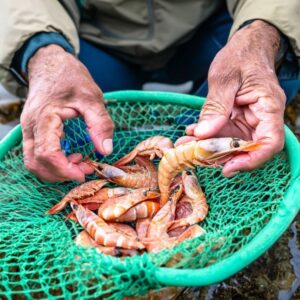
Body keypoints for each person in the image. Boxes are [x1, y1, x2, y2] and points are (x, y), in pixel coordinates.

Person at [0, 0, 299, 182]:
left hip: (205, 28)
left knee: (270, 78)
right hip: (97, 37)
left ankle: (192, 136)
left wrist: (260, 35)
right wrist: (42, 52)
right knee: (70, 134)